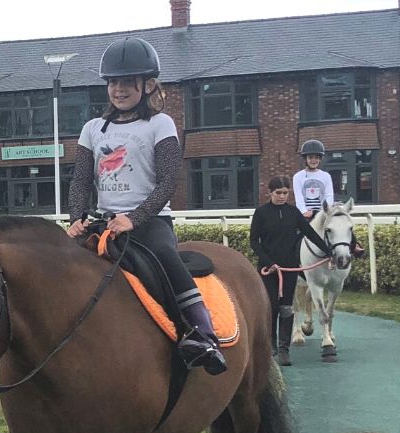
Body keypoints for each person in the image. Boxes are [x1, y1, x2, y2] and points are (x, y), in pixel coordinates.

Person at [66, 36, 226, 375]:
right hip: (105, 223)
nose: (118, 89)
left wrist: (135, 218)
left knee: (166, 257)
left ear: (148, 84)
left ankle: (203, 334)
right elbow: (81, 180)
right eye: (113, 82)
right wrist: (77, 216)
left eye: (127, 82)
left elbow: (169, 181)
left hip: (150, 221)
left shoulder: (160, 124)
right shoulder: (92, 129)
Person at [250, 176, 330, 366]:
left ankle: (284, 350)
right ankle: (270, 347)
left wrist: (329, 251)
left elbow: (309, 234)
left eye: (285, 193)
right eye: (278, 193)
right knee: (271, 307)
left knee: (287, 307)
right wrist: (268, 262)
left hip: (290, 267)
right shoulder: (261, 213)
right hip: (268, 269)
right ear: (270, 193)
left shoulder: (293, 213)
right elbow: (254, 241)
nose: (282, 196)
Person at [293, 139, 365, 257]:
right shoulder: (298, 176)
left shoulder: (325, 176)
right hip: (305, 213)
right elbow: (299, 197)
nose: (314, 160)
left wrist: (327, 211)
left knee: (343, 225)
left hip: (323, 211)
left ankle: (354, 246)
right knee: (294, 232)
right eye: (311, 157)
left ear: (320, 159)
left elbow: (328, 195)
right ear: (305, 159)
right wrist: (304, 211)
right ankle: (292, 256)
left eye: (316, 157)